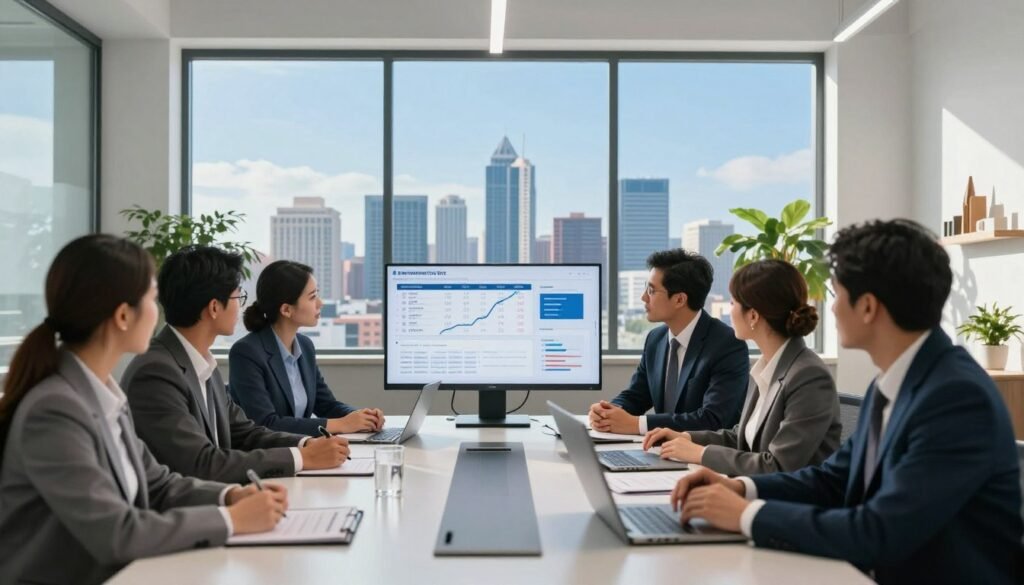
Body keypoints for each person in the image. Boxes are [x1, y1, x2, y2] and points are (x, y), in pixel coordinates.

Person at [669, 220, 1023, 584]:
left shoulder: (956, 398)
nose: (831, 309)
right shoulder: (891, 382)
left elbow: (879, 532)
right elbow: (834, 478)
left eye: (837, 294)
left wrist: (746, 515)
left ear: (868, 307)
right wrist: (741, 488)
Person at [0, 235, 287, 585]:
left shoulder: (103, 394)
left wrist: (230, 495)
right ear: (123, 315)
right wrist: (233, 520)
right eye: (151, 299)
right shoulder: (54, 410)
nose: (158, 310)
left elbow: (159, 485)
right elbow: (117, 533)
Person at [122, 246, 350, 483]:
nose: (241, 306)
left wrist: (307, 443)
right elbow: (201, 463)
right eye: (237, 296)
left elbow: (245, 432)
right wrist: (302, 457)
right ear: (214, 307)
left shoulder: (201, 364)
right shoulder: (156, 373)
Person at [642, 259, 841, 476]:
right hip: (757, 491)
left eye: (733, 303)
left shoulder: (808, 375)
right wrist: (687, 438)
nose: (729, 311)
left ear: (753, 315)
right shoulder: (768, 365)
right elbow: (742, 437)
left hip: (794, 503)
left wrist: (699, 453)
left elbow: (777, 466)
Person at [590, 249, 749, 434]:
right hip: (661, 451)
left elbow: (713, 419)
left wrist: (638, 425)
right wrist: (609, 413)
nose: (644, 297)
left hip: (703, 457)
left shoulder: (727, 345)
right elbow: (637, 395)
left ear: (679, 299)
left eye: (651, 290)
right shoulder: (655, 339)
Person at [228, 260, 384, 436]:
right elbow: (266, 423)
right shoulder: (246, 352)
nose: (320, 303)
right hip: (270, 456)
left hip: (303, 449)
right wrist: (341, 424)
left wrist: (362, 416)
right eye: (312, 297)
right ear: (286, 309)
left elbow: (326, 405)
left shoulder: (304, 346)